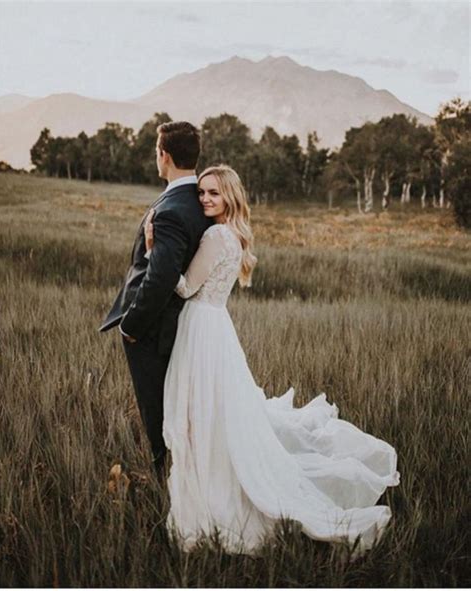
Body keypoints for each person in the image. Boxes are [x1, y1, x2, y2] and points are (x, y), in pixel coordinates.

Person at [143, 164, 400, 556]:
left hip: (201, 328)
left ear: (230, 196)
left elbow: (184, 287)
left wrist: (152, 248)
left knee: (201, 412)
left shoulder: (214, 235)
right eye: (202, 193)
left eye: (214, 193)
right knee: (214, 411)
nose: (206, 199)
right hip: (216, 327)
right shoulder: (234, 235)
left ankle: (214, 485)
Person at [99, 121, 212, 479]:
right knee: (176, 407)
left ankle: (167, 482)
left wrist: (131, 325)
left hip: (153, 330)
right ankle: (181, 474)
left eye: (156, 151)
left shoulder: (173, 209)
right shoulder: (200, 201)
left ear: (164, 155)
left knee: (157, 411)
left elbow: (161, 277)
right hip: (181, 324)